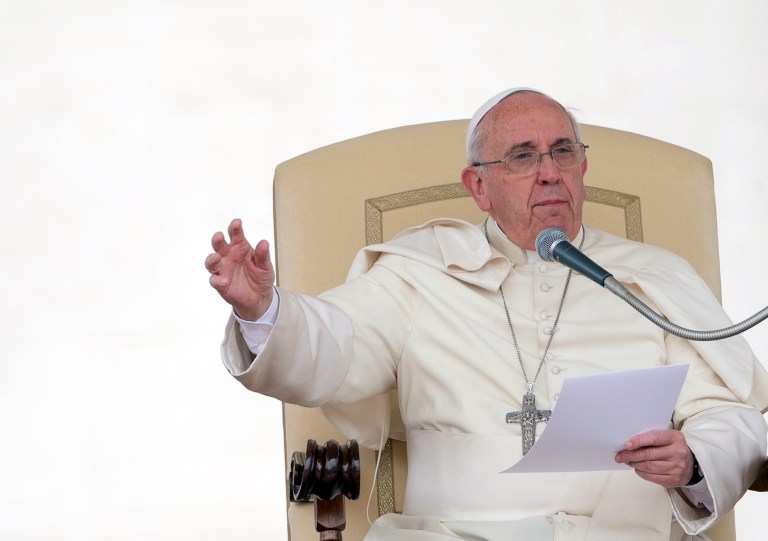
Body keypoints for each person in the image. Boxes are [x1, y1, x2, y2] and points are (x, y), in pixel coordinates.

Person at [205, 88, 768, 541]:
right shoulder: (421, 270)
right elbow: (336, 346)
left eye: (563, 152)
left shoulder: (650, 278)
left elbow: (730, 410)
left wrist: (695, 460)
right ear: (478, 186)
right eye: (523, 156)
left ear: (582, 166)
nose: (549, 172)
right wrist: (263, 311)